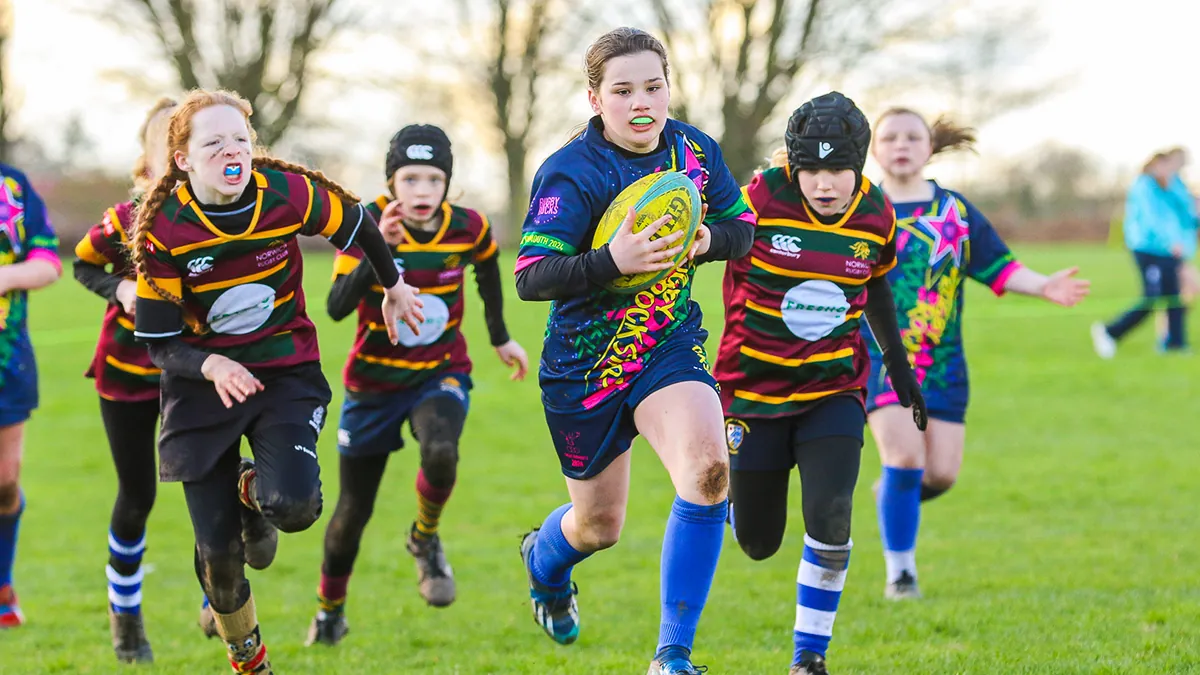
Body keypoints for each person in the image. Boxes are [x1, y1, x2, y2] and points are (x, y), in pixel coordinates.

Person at [130, 88, 423, 675]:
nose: (231, 151)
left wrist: (393, 284)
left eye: (240, 139)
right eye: (213, 143)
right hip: (200, 386)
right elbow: (159, 341)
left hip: (284, 371)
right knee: (219, 559)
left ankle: (252, 494)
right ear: (183, 159)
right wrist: (212, 364)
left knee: (292, 507)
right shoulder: (166, 227)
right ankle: (250, 662)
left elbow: (359, 223)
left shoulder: (285, 193)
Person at [514, 26, 755, 675]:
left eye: (653, 85)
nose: (641, 101)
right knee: (599, 525)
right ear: (596, 99)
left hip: (665, 345)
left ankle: (672, 657)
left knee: (708, 472)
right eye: (623, 90)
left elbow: (744, 228)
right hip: (583, 369)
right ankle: (544, 563)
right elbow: (531, 275)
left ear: (670, 88)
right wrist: (609, 260)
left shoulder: (695, 152)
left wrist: (709, 238)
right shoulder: (572, 171)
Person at [715, 92, 927, 675]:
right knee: (758, 542)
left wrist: (899, 367)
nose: (824, 183)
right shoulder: (760, 197)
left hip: (833, 389)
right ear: (793, 165)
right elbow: (705, 244)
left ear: (859, 167)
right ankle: (733, 497)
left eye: (838, 169)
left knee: (832, 513)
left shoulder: (877, 212)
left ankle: (809, 656)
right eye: (811, 168)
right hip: (750, 392)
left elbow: (878, 287)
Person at [306, 124, 528, 646]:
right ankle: (329, 611)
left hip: (439, 373)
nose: (422, 191)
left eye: (433, 179)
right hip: (373, 384)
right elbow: (336, 308)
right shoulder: (365, 223)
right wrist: (377, 250)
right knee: (350, 514)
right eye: (410, 178)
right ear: (392, 181)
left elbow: (489, 275)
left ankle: (424, 540)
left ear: (447, 183)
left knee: (442, 452)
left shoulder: (468, 226)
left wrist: (500, 338)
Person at [868, 108, 1090, 599]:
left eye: (912, 137)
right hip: (881, 362)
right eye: (890, 137)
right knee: (904, 456)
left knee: (941, 473)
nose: (901, 145)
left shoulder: (954, 212)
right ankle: (900, 572)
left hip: (943, 364)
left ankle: (893, 496)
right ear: (874, 148)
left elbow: (999, 267)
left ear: (929, 148)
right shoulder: (863, 210)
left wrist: (1045, 286)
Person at [71, 96, 176, 663]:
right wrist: (122, 288)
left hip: (200, 376)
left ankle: (224, 595)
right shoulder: (125, 219)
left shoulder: (231, 219)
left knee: (216, 483)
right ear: (151, 160)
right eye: (171, 148)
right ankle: (125, 616)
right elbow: (83, 264)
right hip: (129, 374)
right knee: (138, 495)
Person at [0, 164, 62, 629]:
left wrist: (5, 279)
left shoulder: (14, 187)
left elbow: (48, 263)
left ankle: (2, 584)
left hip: (7, 358)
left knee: (4, 480)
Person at [1093, 149, 1192, 356]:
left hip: (1169, 252)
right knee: (1152, 299)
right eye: (1164, 166)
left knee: (1174, 297)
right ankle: (1110, 331)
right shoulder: (1144, 186)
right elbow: (1151, 219)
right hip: (1149, 249)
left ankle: (1176, 344)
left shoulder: (1168, 186)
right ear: (1154, 165)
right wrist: (1169, 242)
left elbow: (1184, 209)